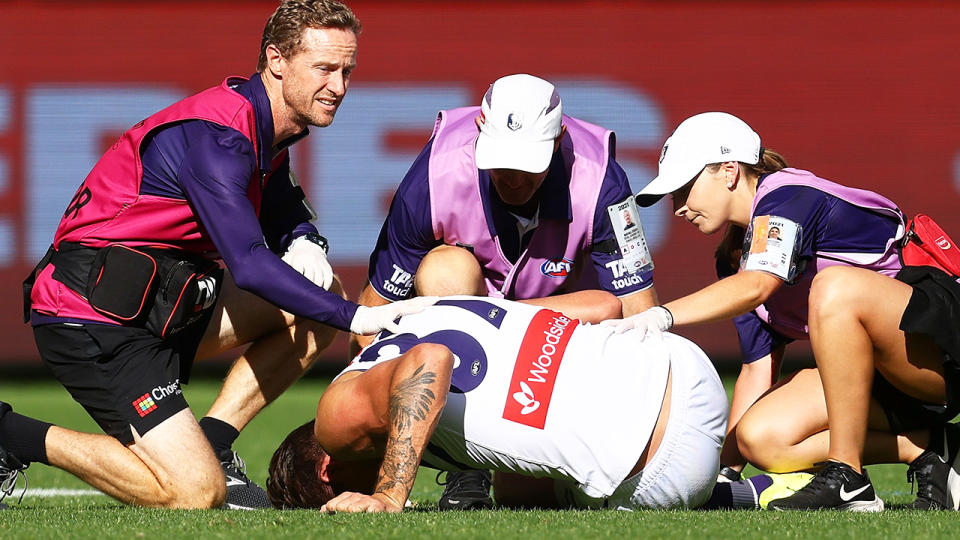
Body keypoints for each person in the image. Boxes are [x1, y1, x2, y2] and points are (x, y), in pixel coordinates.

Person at [0, 0, 432, 510]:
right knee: (195, 493)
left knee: (319, 302)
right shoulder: (220, 138)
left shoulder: (263, 125)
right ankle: (10, 434)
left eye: (347, 70)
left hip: (157, 303)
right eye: (324, 68)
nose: (338, 86)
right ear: (276, 60)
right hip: (94, 314)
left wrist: (303, 239)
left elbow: (279, 201)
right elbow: (248, 264)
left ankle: (215, 443)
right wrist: (358, 315)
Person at [607, 111, 960, 510]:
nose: (678, 207)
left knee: (834, 287)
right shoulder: (735, 264)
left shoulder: (788, 196)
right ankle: (935, 447)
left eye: (685, 188)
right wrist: (725, 472)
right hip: (882, 383)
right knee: (759, 435)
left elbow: (759, 285)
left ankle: (848, 478)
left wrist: (662, 315)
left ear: (728, 171)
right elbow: (758, 369)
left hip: (941, 356)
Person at [352, 73, 660, 508]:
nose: (513, 179)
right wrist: (367, 414)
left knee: (531, 496)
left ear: (558, 141)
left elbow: (640, 311)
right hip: (465, 340)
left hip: (558, 338)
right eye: (501, 160)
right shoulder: (434, 174)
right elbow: (375, 309)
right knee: (445, 268)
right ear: (479, 129)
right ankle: (465, 471)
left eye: (528, 163)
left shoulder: (602, 180)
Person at [266, 293, 728, 512]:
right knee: (513, 491)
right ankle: (736, 493)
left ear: (328, 471)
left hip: (665, 466)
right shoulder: (420, 313)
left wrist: (387, 494)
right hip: (687, 365)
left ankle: (718, 492)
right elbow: (604, 306)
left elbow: (429, 361)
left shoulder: (335, 421)